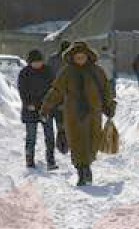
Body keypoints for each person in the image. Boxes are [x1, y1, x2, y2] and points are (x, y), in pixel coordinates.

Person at [40, 42, 116, 187]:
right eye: (77, 57)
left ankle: (87, 167)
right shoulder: (67, 72)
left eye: (82, 57)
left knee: (92, 142)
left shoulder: (97, 71)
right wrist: (46, 108)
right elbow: (56, 91)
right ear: (72, 57)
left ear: (88, 57)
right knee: (76, 142)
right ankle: (82, 171)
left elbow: (106, 90)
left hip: (93, 112)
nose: (80, 60)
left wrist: (109, 106)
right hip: (73, 113)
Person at [18, 50, 58, 170]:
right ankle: (29, 160)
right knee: (31, 136)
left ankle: (50, 160)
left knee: (49, 136)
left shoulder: (48, 71)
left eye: (39, 61)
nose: (37, 64)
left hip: (46, 108)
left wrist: (51, 103)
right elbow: (22, 90)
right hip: (30, 109)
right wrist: (27, 104)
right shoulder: (25, 73)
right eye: (34, 62)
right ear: (30, 62)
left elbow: (54, 88)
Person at [46, 40, 70, 152]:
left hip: (55, 92)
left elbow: (48, 74)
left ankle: (61, 142)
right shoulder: (70, 60)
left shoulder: (52, 59)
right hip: (67, 93)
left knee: (59, 119)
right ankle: (64, 143)